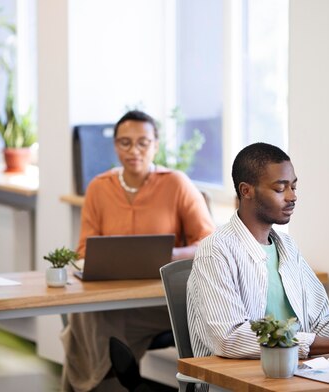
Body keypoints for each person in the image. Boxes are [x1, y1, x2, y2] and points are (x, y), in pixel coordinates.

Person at [187, 142, 329, 361]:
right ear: (247, 191)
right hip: (237, 380)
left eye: (294, 186)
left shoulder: (287, 247)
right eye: (280, 188)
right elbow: (230, 339)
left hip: (295, 374)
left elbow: (320, 322)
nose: (292, 197)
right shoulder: (216, 251)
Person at [62, 110, 215, 392]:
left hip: (161, 302)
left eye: (143, 142)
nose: (134, 150)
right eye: (125, 142)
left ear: (156, 145)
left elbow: (209, 243)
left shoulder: (176, 183)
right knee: (88, 312)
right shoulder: (98, 187)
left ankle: (102, 385)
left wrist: (168, 257)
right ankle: (119, 382)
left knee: (90, 318)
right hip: (111, 295)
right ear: (115, 145)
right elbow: (83, 248)